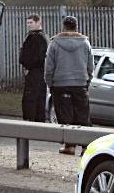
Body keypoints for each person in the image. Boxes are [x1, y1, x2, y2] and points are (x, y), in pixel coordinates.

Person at [44, 15, 94, 155]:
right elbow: (90, 65)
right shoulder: (85, 43)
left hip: (60, 84)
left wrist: (49, 82)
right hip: (80, 83)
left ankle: (70, 146)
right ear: (76, 26)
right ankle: (85, 147)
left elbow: (49, 66)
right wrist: (87, 80)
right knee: (83, 114)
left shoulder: (54, 44)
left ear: (63, 26)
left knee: (65, 115)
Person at [19, 14, 49, 122]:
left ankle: (30, 122)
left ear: (38, 22)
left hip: (35, 72)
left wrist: (28, 66)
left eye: (31, 23)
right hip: (38, 72)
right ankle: (37, 122)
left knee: (31, 99)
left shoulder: (37, 37)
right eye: (27, 23)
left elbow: (38, 56)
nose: (29, 25)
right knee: (38, 98)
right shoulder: (41, 36)